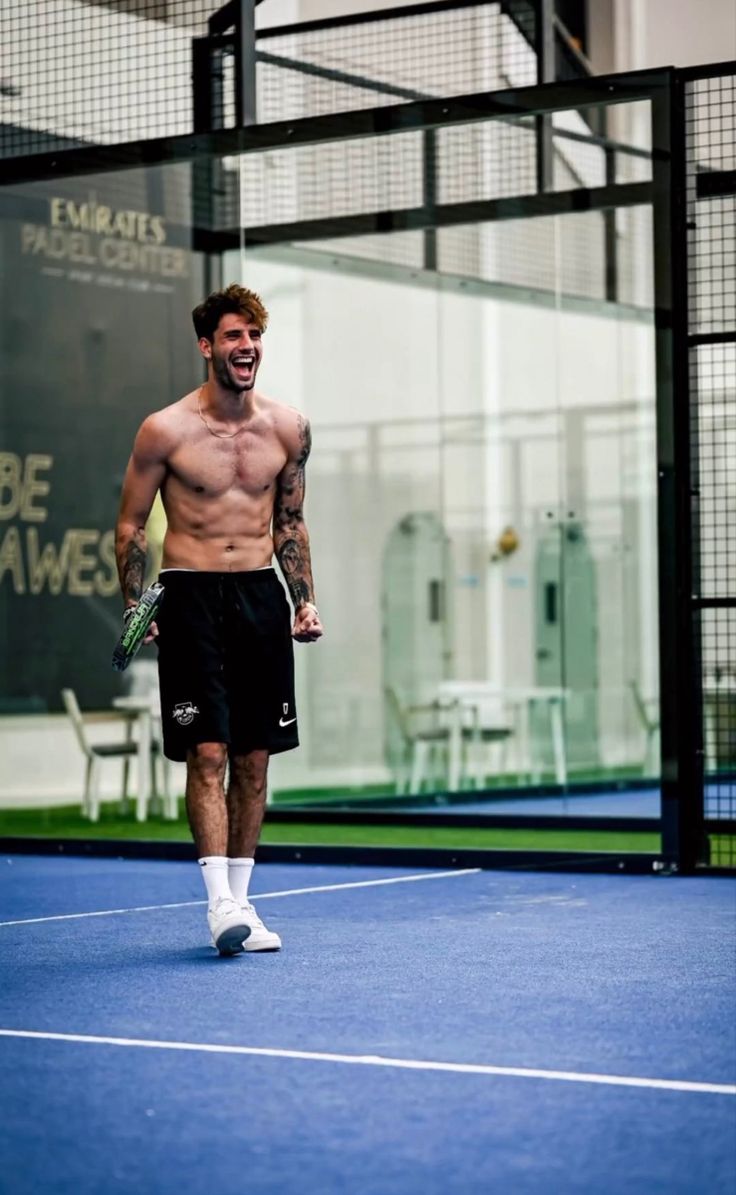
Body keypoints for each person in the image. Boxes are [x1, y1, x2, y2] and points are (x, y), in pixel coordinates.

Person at [115, 284, 323, 956]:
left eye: (254, 335)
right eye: (234, 336)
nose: (247, 347)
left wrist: (304, 599)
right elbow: (128, 525)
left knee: (254, 759)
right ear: (208, 346)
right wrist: (135, 602)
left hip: (261, 597)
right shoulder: (165, 430)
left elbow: (289, 521)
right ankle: (218, 905)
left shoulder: (288, 428)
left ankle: (241, 898)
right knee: (206, 751)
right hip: (191, 596)